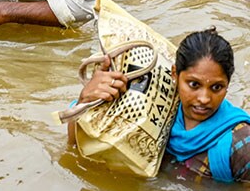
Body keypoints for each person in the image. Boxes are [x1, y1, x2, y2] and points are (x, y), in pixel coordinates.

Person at [73, 29, 250, 182]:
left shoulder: (241, 146)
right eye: (194, 85)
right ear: (175, 74)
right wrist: (85, 102)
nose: (204, 98)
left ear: (228, 85)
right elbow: (75, 153)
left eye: (216, 87)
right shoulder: (147, 111)